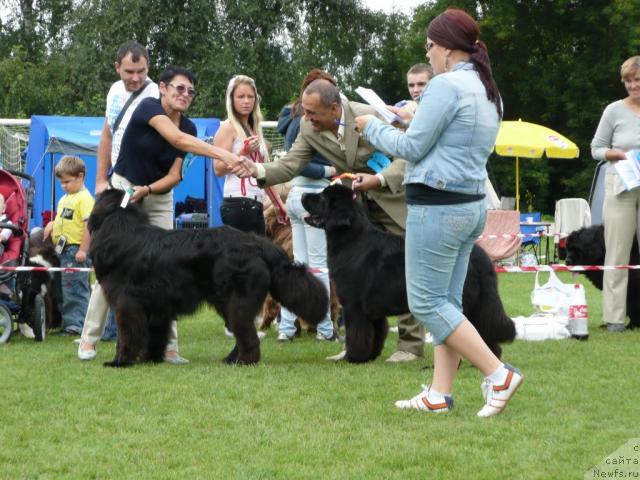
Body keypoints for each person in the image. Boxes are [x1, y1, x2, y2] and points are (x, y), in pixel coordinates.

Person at [355, 8, 523, 417]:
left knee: (427, 302)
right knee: (448, 302)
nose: (427, 55)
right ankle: (439, 394)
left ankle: (497, 374)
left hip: (438, 207)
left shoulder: (445, 86)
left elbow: (411, 148)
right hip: (470, 205)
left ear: (446, 48)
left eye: (429, 47)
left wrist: (370, 126)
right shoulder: (488, 88)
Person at [239, 78, 425, 363]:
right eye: (304, 111)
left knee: (403, 269)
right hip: (355, 206)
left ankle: (409, 346)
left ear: (335, 108)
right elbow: (291, 163)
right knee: (355, 280)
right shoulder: (307, 126)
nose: (306, 118)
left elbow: (407, 154)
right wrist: (257, 169)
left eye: (312, 112)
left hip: (391, 195)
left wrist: (378, 179)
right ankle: (357, 346)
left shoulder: (371, 115)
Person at [78, 41, 159, 359]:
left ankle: (164, 346)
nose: (136, 78)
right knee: (109, 264)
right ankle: (88, 339)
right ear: (117, 68)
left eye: (141, 71)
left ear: (148, 68)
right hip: (120, 186)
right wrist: (100, 179)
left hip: (153, 186)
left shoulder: (158, 94)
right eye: (129, 71)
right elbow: (107, 135)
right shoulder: (114, 92)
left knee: (164, 264)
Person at [275, 69, 338, 343]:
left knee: (298, 265)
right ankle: (325, 329)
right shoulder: (308, 122)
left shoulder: (291, 118)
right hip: (314, 196)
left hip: (294, 196)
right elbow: (301, 162)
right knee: (319, 267)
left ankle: (286, 327)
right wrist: (332, 170)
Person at [591, 55, 640, 332]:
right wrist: (619, 154)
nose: (634, 86)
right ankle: (614, 319)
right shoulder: (613, 111)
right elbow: (596, 149)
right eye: (629, 81)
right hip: (620, 184)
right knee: (617, 253)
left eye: (638, 80)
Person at [213, 75, 270, 235]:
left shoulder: (254, 129)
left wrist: (278, 204)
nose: (246, 101)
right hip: (238, 203)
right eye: (240, 96)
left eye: (250, 96)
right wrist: (243, 152)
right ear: (231, 100)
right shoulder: (227, 128)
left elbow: (262, 172)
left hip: (256, 203)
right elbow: (217, 169)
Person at [43, 155, 93, 335]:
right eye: (61, 182)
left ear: (80, 176)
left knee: (75, 289)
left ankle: (77, 326)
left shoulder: (85, 198)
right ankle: (67, 322)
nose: (64, 185)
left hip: (75, 250)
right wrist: (52, 224)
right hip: (62, 250)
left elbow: (89, 226)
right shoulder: (65, 198)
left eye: (68, 181)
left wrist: (83, 250)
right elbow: (62, 219)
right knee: (64, 288)